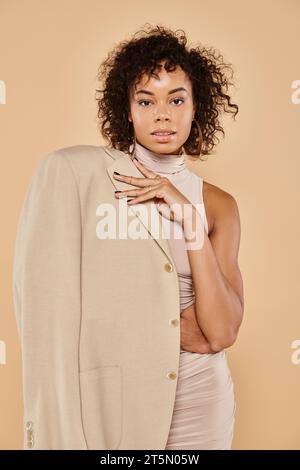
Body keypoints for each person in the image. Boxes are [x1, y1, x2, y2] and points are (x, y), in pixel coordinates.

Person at [12, 24, 244, 450]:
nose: (163, 114)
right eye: (146, 100)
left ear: (197, 108)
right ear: (128, 109)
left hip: (203, 399)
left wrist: (190, 220)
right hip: (119, 400)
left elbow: (222, 331)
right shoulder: (83, 179)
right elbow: (53, 309)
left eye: (177, 99)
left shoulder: (218, 206)